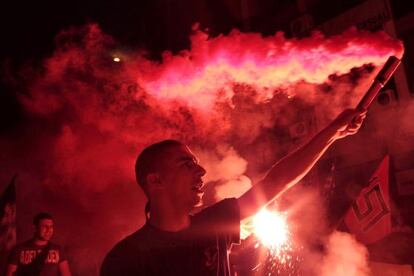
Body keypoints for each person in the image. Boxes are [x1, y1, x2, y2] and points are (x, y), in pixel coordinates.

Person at [101, 108, 366, 276]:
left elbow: (277, 180)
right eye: (186, 164)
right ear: (155, 181)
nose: (201, 172)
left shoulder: (215, 224)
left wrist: (331, 133)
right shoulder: (126, 259)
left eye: (197, 163)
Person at [5, 212, 72, 276]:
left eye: (51, 227)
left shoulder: (58, 250)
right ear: (35, 228)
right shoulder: (18, 250)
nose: (49, 230)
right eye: (45, 226)